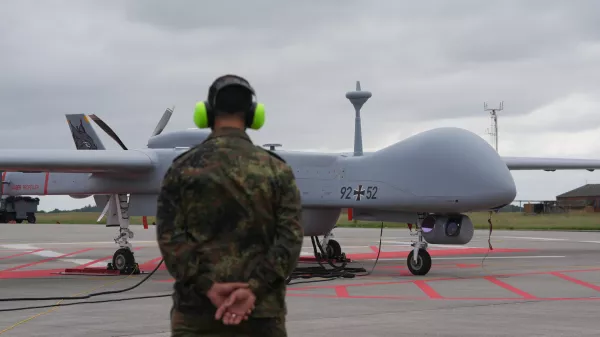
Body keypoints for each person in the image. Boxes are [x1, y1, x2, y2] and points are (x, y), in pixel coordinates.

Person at [155, 74, 304, 336]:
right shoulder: (277, 170)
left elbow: (170, 239)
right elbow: (290, 239)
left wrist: (208, 286)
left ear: (207, 114)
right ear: (253, 115)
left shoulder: (182, 169)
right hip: (261, 315)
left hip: (196, 314)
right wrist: (253, 289)